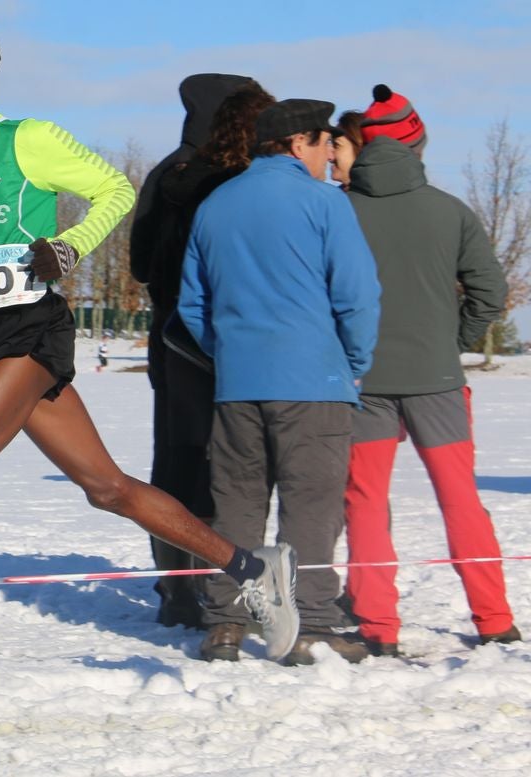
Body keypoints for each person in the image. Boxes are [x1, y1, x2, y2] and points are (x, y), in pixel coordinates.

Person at [0, 8, 299, 709]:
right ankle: (251, 567)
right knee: (108, 488)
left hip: (33, 331)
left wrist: (68, 248)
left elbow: (114, 190)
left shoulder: (26, 140)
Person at [178, 98, 381, 666]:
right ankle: (312, 621)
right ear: (298, 144)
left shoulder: (216, 204)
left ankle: (225, 621)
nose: (328, 157)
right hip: (314, 380)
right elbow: (358, 294)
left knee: (236, 504)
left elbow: (193, 304)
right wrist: (354, 359)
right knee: (311, 506)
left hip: (237, 383)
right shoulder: (324, 204)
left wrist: (230, 353)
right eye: (324, 144)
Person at [336, 86, 520, 655]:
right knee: (460, 498)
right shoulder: (451, 210)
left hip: (362, 383)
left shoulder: (336, 209)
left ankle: (377, 628)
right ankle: (494, 620)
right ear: (414, 144)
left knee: (364, 502)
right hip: (438, 383)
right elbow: (490, 293)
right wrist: (452, 342)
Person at [131, 80, 276, 628]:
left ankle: (177, 588)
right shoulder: (242, 178)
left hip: (170, 339)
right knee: (234, 467)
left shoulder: (165, 175)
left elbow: (140, 265)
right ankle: (225, 587)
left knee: (174, 460)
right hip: (231, 340)